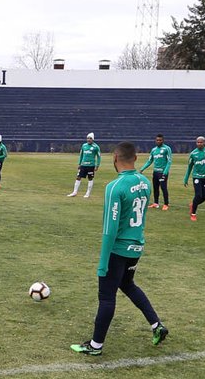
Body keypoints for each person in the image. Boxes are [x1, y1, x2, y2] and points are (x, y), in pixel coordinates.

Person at [71, 142, 168, 356]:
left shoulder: (114, 187)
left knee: (107, 297)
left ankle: (95, 345)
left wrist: (102, 262)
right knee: (128, 284)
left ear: (115, 158)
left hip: (118, 249)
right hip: (136, 247)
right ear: (135, 158)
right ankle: (156, 325)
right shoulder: (144, 182)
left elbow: (109, 229)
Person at [183, 136, 205, 221]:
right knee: (198, 195)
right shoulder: (193, 154)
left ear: (204, 142)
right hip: (196, 177)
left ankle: (193, 204)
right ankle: (193, 214)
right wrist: (186, 178)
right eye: (198, 142)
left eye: (201, 142)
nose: (199, 144)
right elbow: (189, 167)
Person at [139, 134, 173, 211]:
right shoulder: (154, 150)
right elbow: (150, 161)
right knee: (155, 188)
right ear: (155, 140)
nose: (158, 141)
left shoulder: (167, 149)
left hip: (163, 173)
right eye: (157, 140)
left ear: (163, 140)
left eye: (160, 140)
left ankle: (166, 204)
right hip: (155, 172)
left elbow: (169, 161)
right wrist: (142, 169)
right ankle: (156, 203)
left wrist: (165, 172)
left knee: (163, 188)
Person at [67, 132, 101, 198]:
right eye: (87, 138)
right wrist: (79, 163)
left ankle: (87, 193)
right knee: (78, 177)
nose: (88, 139)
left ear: (93, 139)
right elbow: (81, 155)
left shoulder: (96, 147)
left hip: (91, 165)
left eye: (90, 138)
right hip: (83, 165)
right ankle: (74, 192)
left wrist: (97, 165)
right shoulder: (84, 145)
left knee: (90, 178)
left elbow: (99, 156)